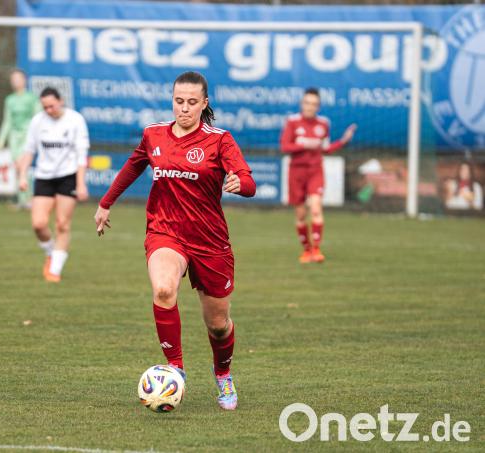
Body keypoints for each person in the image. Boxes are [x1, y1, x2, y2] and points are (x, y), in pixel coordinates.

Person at [94, 71, 256, 411]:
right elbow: (132, 166)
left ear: (204, 103)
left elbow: (247, 179)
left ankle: (223, 373)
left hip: (210, 241)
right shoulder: (154, 134)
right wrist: (105, 202)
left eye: (192, 102)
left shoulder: (220, 140)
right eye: (179, 101)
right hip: (165, 231)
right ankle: (176, 370)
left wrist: (241, 184)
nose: (184, 108)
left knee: (218, 325)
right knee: (164, 290)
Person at [20, 87, 89, 282]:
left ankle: (55, 269)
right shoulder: (37, 121)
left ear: (61, 101)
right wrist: (23, 176)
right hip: (44, 177)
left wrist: (81, 183)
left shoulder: (75, 120)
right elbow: (29, 150)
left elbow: (81, 155)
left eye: (51, 106)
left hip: (68, 176)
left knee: (62, 223)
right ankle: (51, 252)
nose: (48, 110)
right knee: (38, 224)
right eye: (45, 107)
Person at [280, 88, 356, 263]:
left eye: (314, 104)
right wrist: (304, 144)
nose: (310, 107)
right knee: (300, 215)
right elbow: (285, 147)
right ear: (302, 104)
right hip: (296, 173)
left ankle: (316, 249)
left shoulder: (323, 124)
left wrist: (343, 141)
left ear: (318, 106)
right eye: (307, 103)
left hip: (315, 171)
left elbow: (325, 149)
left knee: (316, 208)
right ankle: (306, 250)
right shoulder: (292, 122)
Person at [0, 69, 41, 209]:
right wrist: (1, 139)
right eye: (13, 79)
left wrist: (37, 135)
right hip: (14, 137)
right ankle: (23, 200)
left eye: (18, 78)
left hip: (27, 134)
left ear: (24, 80)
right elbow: (7, 120)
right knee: (17, 168)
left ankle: (30, 199)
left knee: (23, 167)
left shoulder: (32, 97)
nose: (15, 82)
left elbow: (37, 117)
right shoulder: (9, 99)